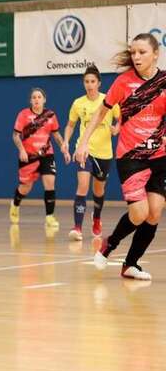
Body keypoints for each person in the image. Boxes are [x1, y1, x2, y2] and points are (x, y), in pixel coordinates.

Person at [75, 33, 166, 281]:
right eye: (133, 52)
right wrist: (83, 142)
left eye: (142, 52)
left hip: (159, 156)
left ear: (155, 54)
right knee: (139, 213)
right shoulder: (123, 82)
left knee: (154, 213)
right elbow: (100, 113)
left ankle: (130, 264)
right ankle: (109, 244)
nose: (136, 57)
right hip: (131, 156)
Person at [61, 65, 120, 241]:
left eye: (93, 81)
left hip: (104, 153)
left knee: (98, 190)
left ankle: (97, 218)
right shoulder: (78, 103)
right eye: (86, 81)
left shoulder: (108, 101)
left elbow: (121, 118)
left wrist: (117, 128)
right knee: (83, 186)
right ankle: (77, 227)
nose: (89, 84)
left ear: (99, 83)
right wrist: (66, 141)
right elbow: (70, 125)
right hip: (84, 150)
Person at [9, 88, 69, 231]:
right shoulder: (23, 114)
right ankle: (15, 204)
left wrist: (64, 148)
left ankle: (50, 217)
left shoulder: (50, 115)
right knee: (25, 187)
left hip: (46, 155)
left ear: (44, 99)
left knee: (50, 182)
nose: (36, 99)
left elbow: (56, 135)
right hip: (29, 156)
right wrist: (21, 150)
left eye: (39, 97)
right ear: (31, 101)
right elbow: (15, 136)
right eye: (34, 97)